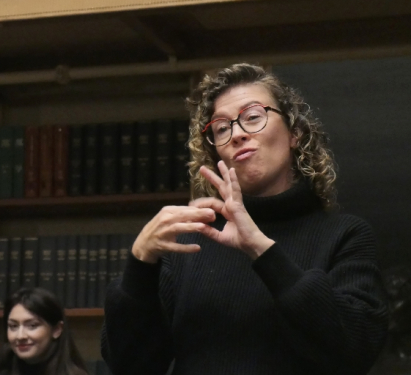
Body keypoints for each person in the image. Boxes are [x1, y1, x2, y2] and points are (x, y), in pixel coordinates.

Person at [101, 63, 388, 375]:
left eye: (253, 117)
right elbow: (129, 365)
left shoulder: (345, 235)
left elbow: (356, 349)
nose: (237, 134)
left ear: (294, 133)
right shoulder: (190, 241)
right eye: (222, 128)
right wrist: (139, 266)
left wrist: (261, 250)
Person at [0, 287, 89, 375]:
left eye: (32, 326)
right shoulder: (1, 370)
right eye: (13, 326)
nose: (20, 336)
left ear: (57, 330)